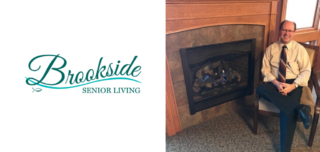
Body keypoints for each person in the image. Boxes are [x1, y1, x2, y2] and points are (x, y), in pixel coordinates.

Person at [256, 20, 312, 152]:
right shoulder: (271, 49)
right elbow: (265, 70)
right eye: (284, 30)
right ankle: (300, 108)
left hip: (293, 83)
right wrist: (276, 83)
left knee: (287, 111)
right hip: (275, 81)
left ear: (294, 33)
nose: (287, 33)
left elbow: (306, 71)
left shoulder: (300, 50)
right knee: (260, 88)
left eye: (290, 30)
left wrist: (292, 86)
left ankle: (284, 150)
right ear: (280, 31)